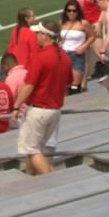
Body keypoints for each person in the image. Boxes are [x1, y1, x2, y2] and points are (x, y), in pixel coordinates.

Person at [15, 25, 70, 177]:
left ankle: (52, 181)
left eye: (38, 33)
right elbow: (68, 81)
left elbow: (28, 85)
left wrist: (16, 106)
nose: (36, 35)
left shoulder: (41, 56)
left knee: (32, 150)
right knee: (33, 148)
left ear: (45, 35)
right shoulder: (64, 56)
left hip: (39, 110)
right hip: (55, 110)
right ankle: (29, 179)